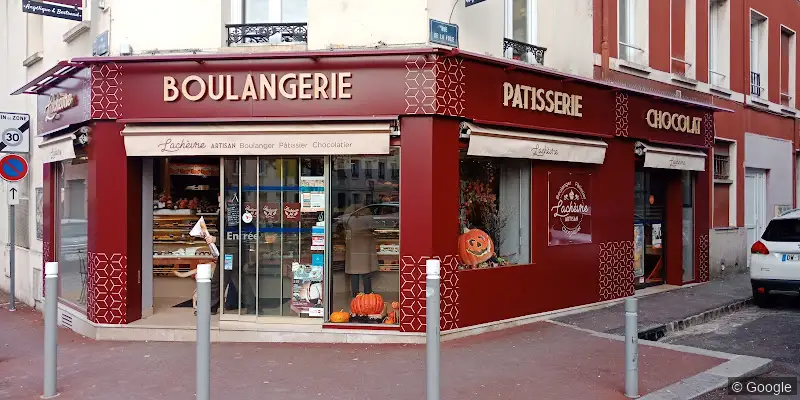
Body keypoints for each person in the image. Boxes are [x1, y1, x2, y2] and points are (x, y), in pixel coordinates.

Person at [204, 233, 222, 315]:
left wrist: (216, 239)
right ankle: (212, 307)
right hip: (227, 255)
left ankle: (212, 307)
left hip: (232, 254)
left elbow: (235, 237)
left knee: (216, 282)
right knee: (216, 282)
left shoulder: (233, 222)